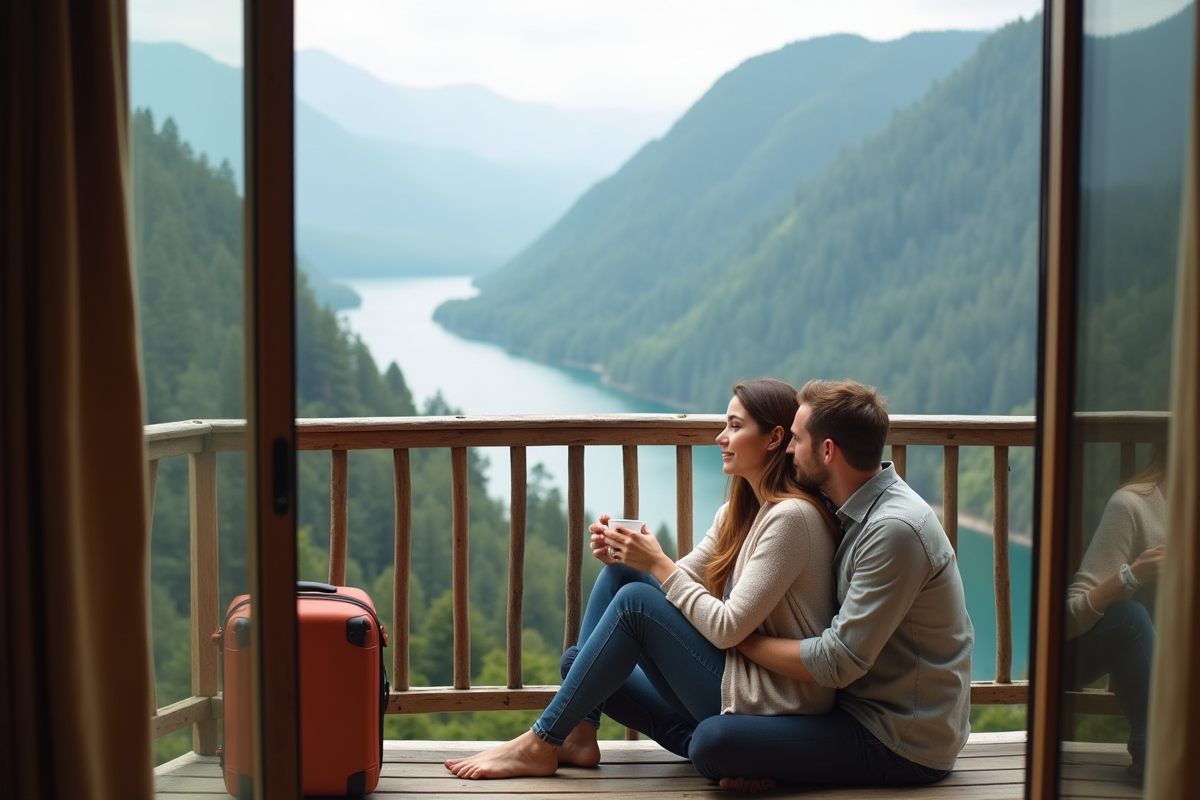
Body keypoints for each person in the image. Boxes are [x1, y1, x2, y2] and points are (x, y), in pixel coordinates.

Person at [445, 378, 839, 779]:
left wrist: (658, 564)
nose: (721, 437)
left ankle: (543, 740)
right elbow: (679, 585)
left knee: (632, 608)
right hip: (736, 678)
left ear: (774, 437)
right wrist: (635, 554)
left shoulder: (792, 518)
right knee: (590, 640)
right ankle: (579, 735)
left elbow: (726, 628)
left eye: (735, 427)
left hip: (770, 703)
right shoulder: (738, 514)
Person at [688, 379, 974, 791]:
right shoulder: (846, 507)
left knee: (714, 741)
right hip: (846, 712)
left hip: (900, 741)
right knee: (587, 663)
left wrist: (734, 635)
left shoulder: (894, 530)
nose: (788, 449)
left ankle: (759, 760)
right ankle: (762, 761)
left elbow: (837, 662)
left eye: (797, 439)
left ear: (827, 451)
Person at [1064, 446, 1166, 777]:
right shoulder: (1132, 506)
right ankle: (1154, 752)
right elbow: (1068, 617)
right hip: (1079, 649)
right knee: (1131, 619)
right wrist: (1132, 576)